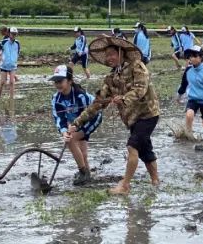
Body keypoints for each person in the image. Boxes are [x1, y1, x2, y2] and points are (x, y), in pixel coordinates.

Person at [68, 35, 161, 196]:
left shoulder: (137, 67)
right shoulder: (110, 79)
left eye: (112, 54)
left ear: (121, 53)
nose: (109, 57)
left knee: (132, 146)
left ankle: (125, 185)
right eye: (107, 55)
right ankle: (156, 181)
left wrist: (124, 98)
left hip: (147, 113)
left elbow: (140, 89)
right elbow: (98, 103)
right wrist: (77, 123)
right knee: (145, 149)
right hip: (131, 118)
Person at [50, 64, 103, 184]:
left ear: (69, 81)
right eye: (55, 81)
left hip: (92, 118)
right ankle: (88, 177)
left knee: (70, 140)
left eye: (60, 81)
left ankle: (83, 172)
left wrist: (74, 128)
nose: (57, 84)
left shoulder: (80, 95)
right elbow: (59, 118)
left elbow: (86, 115)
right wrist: (63, 131)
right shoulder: (56, 99)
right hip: (76, 122)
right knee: (82, 154)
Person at [177, 46, 203, 140]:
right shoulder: (188, 70)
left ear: (200, 57)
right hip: (193, 99)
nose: (191, 58)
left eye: (194, 56)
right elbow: (183, 85)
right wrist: (179, 96)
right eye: (190, 56)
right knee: (189, 114)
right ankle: (189, 135)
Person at [0, 26, 20, 99]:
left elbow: (17, 53)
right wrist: (1, 58)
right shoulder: (4, 42)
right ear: (9, 33)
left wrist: (15, 60)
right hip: (4, 65)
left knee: (12, 82)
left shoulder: (17, 43)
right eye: (12, 34)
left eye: (15, 34)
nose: (13, 35)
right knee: (2, 82)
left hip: (13, 66)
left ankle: (11, 97)